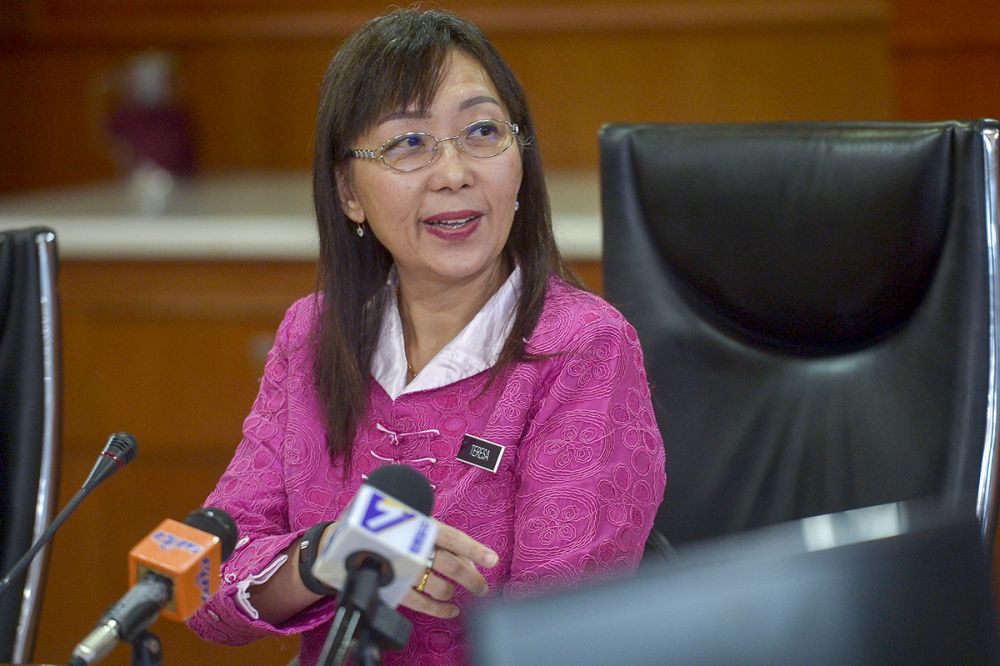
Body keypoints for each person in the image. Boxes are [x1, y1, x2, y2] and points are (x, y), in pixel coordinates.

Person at [187, 8, 666, 665]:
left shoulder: (579, 347)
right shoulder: (315, 333)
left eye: (481, 132)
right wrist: (327, 554)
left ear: (520, 160)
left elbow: (563, 638)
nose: (453, 171)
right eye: (409, 143)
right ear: (347, 191)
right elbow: (205, 585)